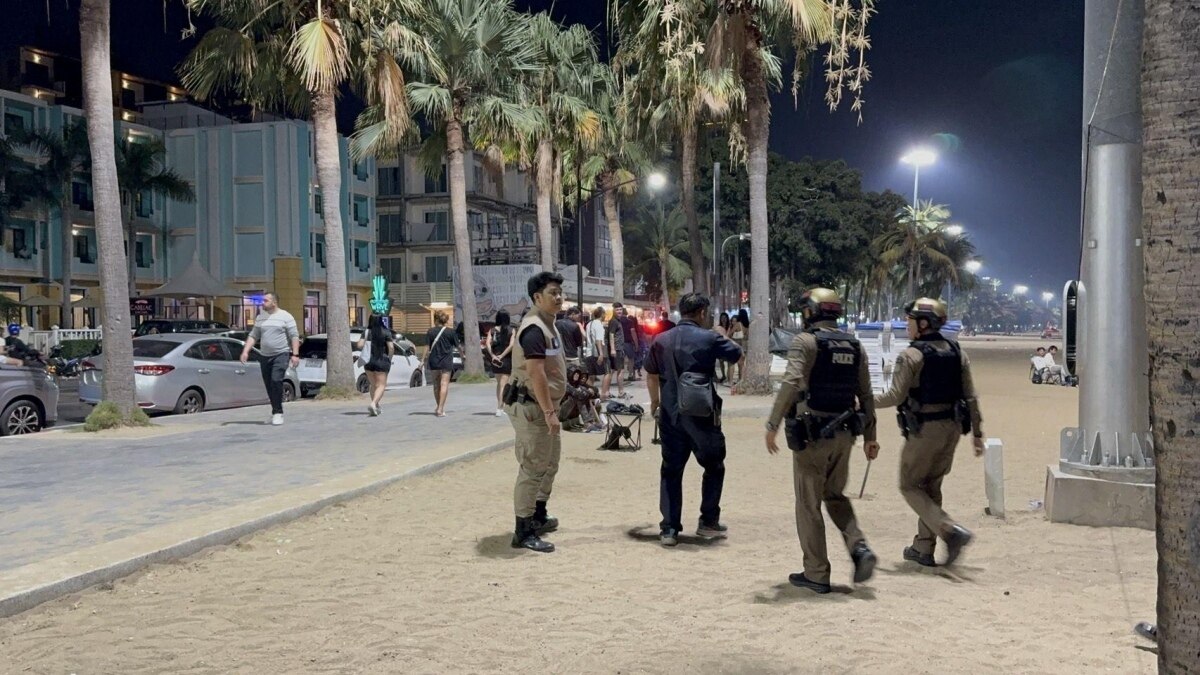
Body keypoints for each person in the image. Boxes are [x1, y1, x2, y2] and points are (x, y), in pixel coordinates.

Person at [764, 288, 878, 594]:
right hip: (845, 435)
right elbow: (866, 395)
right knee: (836, 496)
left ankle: (816, 572)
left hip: (812, 435)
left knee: (808, 505)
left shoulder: (806, 342)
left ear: (812, 312)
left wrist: (772, 424)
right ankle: (859, 547)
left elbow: (790, 382)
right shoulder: (855, 345)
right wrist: (871, 437)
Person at [875, 298, 985, 567]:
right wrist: (977, 433)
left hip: (925, 428)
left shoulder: (911, 355)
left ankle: (949, 530)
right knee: (932, 486)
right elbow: (970, 396)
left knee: (909, 485)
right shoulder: (957, 351)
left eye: (910, 321)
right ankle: (923, 548)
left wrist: (863, 400)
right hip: (952, 427)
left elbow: (894, 395)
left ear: (923, 324)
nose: (906, 325)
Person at [646, 293, 743, 547]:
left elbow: (651, 373)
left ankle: (669, 529)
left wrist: (655, 403)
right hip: (702, 415)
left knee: (671, 470)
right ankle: (708, 521)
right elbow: (735, 354)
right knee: (714, 466)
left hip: (670, 414)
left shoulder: (661, 339)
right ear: (701, 312)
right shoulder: (709, 337)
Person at [505, 271, 568, 553]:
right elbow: (536, 373)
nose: (558, 297)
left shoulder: (548, 325)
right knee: (532, 467)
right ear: (536, 298)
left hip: (545, 407)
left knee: (550, 463)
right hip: (533, 408)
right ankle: (523, 529)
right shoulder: (533, 328)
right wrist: (548, 412)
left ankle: (539, 514)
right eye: (552, 293)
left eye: (559, 293)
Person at [240, 292, 300, 426]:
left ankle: (278, 413)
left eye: (266, 301)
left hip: (281, 354)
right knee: (269, 385)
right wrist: (245, 351)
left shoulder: (286, 316)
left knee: (276, 380)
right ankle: (275, 412)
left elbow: (294, 336)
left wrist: (295, 355)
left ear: (274, 302)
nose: (263, 303)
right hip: (265, 356)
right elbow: (254, 335)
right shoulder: (261, 317)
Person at [356, 314, 394, 416]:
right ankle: (373, 404)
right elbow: (391, 347)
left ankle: (376, 406)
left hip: (369, 362)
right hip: (382, 360)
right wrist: (390, 358)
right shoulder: (386, 331)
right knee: (381, 385)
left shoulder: (367, 332)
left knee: (373, 385)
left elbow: (359, 345)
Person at [425, 310, 460, 418]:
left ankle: (439, 407)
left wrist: (422, 360)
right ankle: (440, 408)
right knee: (444, 384)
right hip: (446, 360)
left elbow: (427, 347)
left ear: (435, 319)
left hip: (434, 360)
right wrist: (463, 355)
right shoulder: (451, 332)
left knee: (436, 385)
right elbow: (458, 346)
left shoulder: (430, 331)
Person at [488, 310, 516, 417]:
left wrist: (493, 356)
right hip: (506, 360)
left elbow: (488, 344)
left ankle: (500, 405)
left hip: (495, 360)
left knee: (499, 383)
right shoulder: (511, 330)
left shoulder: (492, 330)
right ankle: (500, 407)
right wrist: (502, 356)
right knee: (504, 385)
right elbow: (511, 345)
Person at [585, 306, 609, 393]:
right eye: (604, 314)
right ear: (602, 314)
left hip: (588, 353)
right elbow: (598, 340)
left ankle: (588, 395)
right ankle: (604, 394)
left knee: (591, 376)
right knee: (607, 373)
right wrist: (601, 354)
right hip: (597, 353)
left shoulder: (589, 324)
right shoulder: (599, 324)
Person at [607, 303, 628, 399]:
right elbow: (611, 335)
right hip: (617, 349)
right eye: (617, 310)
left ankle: (607, 392)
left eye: (620, 309)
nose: (619, 311)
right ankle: (621, 392)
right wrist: (613, 349)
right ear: (613, 311)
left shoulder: (616, 321)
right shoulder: (614, 321)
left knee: (613, 371)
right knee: (620, 371)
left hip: (618, 348)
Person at [619, 307, 640, 382]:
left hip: (619, 343)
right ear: (626, 313)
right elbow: (633, 333)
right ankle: (630, 375)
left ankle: (620, 375)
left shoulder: (618, 321)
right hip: (628, 343)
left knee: (620, 359)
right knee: (631, 359)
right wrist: (636, 344)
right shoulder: (630, 322)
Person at [730, 309, 750, 383]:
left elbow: (730, 333)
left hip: (736, 346)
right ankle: (740, 380)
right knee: (742, 364)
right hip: (744, 346)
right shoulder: (747, 325)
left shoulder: (738, 324)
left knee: (732, 363)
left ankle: (731, 381)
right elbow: (747, 336)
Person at [714, 313, 732, 383]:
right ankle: (723, 375)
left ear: (727, 318)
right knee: (721, 362)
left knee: (729, 362)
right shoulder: (719, 327)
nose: (723, 319)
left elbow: (728, 336)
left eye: (725, 318)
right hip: (721, 346)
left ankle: (728, 376)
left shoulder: (730, 327)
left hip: (728, 346)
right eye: (722, 318)